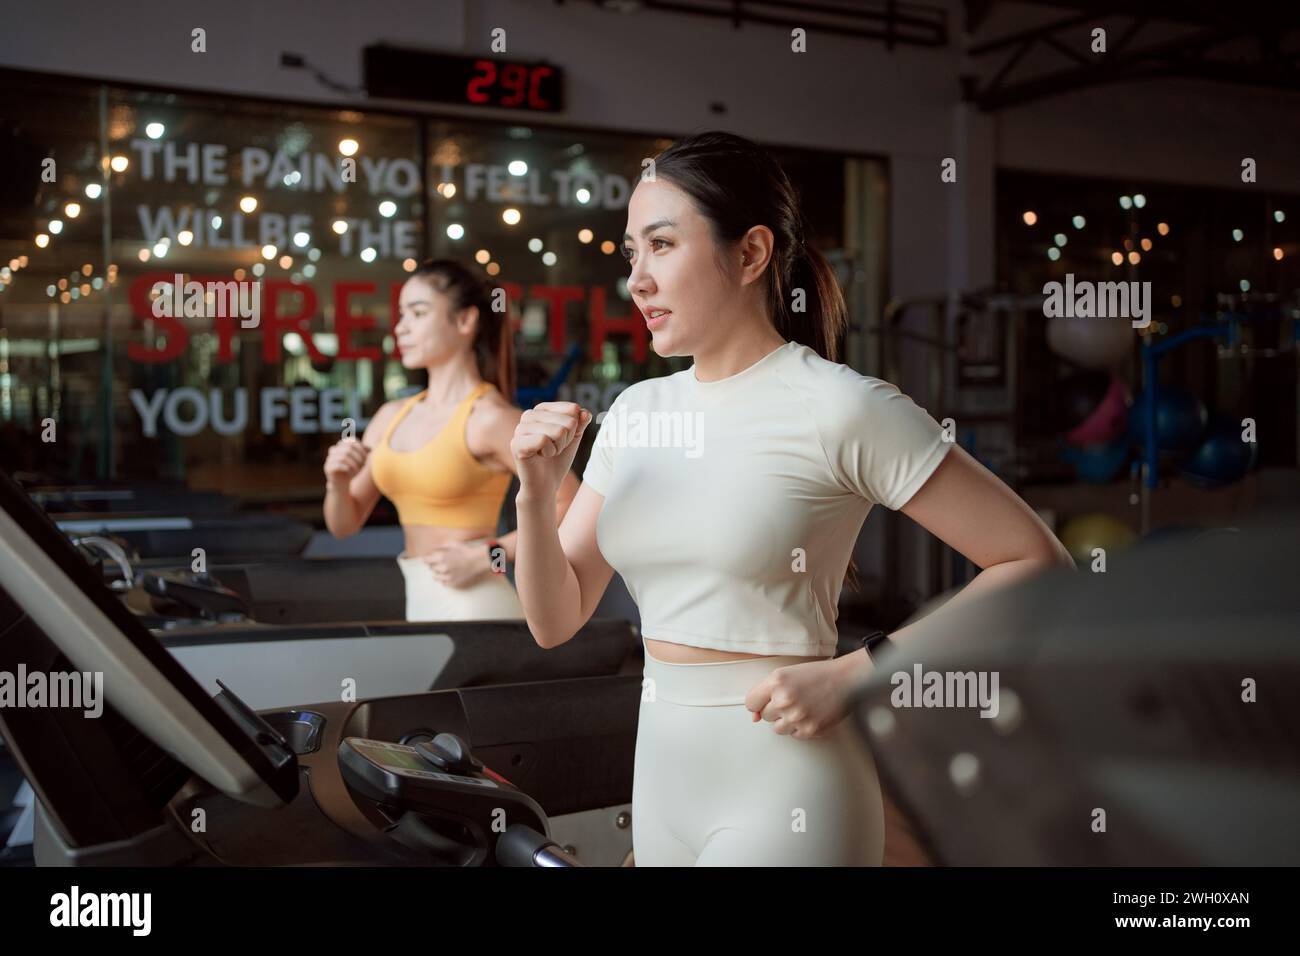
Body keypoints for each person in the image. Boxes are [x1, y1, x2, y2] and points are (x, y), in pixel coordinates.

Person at [509, 130, 1074, 866]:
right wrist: (535, 493)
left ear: (750, 253)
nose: (636, 281)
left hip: (789, 782)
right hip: (660, 782)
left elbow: (1036, 562)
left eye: (662, 246)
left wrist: (861, 672)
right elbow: (556, 621)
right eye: (631, 254)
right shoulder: (637, 414)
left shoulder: (840, 407)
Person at [323, 258, 579, 622]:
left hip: (478, 606)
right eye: (401, 315)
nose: (401, 328)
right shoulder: (390, 416)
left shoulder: (489, 418)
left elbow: (572, 506)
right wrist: (337, 482)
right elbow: (343, 525)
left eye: (418, 312)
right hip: (420, 597)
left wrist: (489, 555)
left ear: (464, 320)